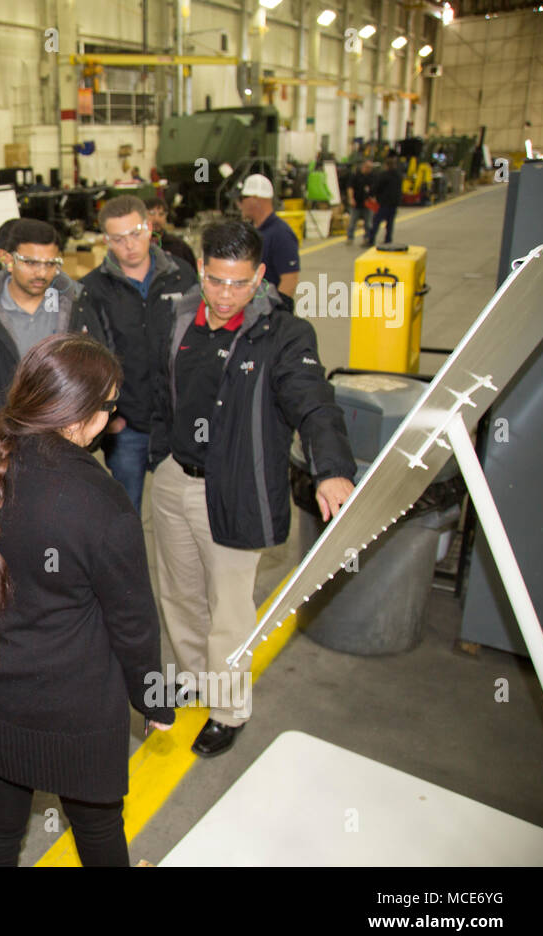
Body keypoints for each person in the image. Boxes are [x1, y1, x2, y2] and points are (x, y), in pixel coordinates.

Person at [0, 333, 175, 867]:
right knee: (98, 827)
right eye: (110, 405)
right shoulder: (101, 501)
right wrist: (153, 699)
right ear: (85, 415)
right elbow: (133, 623)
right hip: (67, 711)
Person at [148, 220, 356, 758]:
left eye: (239, 283)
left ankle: (228, 708)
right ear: (201, 269)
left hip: (234, 488)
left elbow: (314, 402)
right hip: (175, 479)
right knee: (179, 594)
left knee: (230, 611)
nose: (225, 295)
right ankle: (196, 678)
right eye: (216, 280)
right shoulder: (177, 316)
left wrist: (330, 467)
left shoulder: (285, 334)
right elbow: (159, 385)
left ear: (261, 275)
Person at [0, 218, 104, 440]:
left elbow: (100, 375)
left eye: (51, 263)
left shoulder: (76, 306)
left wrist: (85, 433)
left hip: (65, 446)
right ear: (7, 259)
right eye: (30, 262)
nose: (42, 273)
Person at [81, 196, 196, 512]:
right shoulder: (92, 290)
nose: (130, 245)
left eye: (135, 233)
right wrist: (110, 417)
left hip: (177, 423)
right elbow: (89, 362)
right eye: (118, 239)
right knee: (124, 514)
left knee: (181, 515)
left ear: (150, 228)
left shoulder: (182, 276)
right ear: (106, 240)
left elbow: (201, 345)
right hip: (126, 428)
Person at [238, 173, 300, 312]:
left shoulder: (281, 234)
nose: (239, 204)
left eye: (242, 198)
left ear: (255, 199)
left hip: (268, 316)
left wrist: (275, 312)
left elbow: (290, 280)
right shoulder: (253, 231)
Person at [145, 196, 198, 270]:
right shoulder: (137, 247)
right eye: (151, 213)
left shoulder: (179, 247)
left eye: (161, 214)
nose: (156, 219)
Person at [367, 157, 402, 247]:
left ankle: (371, 239)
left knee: (376, 222)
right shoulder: (398, 175)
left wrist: (371, 194)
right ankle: (388, 240)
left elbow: (377, 187)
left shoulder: (384, 175)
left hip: (384, 203)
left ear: (386, 166)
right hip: (394, 203)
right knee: (390, 223)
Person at [345, 158, 377, 246]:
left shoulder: (372, 176)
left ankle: (367, 238)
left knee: (368, 223)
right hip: (357, 203)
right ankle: (350, 237)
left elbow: (375, 189)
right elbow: (350, 187)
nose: (370, 169)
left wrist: (374, 198)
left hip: (368, 204)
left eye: (371, 168)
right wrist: (351, 198)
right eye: (368, 167)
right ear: (364, 167)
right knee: (352, 222)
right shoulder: (356, 175)